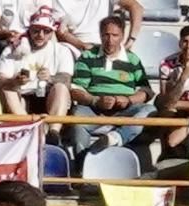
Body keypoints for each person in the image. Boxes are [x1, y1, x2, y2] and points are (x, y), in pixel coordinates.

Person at [66, 15, 154, 157]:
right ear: (100, 35)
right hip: (93, 110)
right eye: (106, 35)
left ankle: (115, 138)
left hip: (126, 110)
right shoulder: (88, 56)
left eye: (115, 35)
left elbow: (146, 90)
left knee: (150, 110)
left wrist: (129, 100)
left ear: (122, 36)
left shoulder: (132, 59)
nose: (110, 40)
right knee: (77, 116)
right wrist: (95, 100)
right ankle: (81, 164)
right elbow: (76, 90)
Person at [0, 8, 73, 134]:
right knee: (8, 88)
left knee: (61, 88)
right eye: (36, 30)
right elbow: (0, 81)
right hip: (22, 98)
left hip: (48, 96)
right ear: (29, 30)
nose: (41, 35)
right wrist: (14, 81)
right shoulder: (12, 50)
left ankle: (53, 133)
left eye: (46, 31)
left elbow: (66, 79)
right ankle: (28, 130)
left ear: (52, 32)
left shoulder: (61, 50)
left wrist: (51, 78)